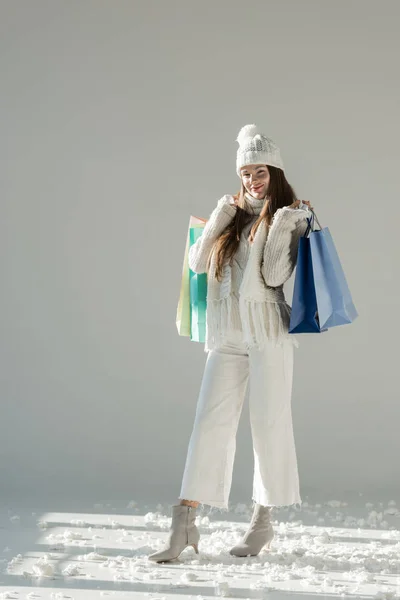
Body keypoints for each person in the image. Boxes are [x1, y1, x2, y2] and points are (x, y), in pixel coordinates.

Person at [149, 124, 313, 563]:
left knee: (268, 425)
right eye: (244, 172)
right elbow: (199, 263)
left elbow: (276, 277)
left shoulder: (289, 216)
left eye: (259, 170)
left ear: (274, 170)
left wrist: (281, 225)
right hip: (228, 334)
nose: (251, 180)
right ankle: (183, 525)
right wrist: (223, 214)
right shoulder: (232, 213)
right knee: (208, 424)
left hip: (267, 332)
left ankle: (262, 524)